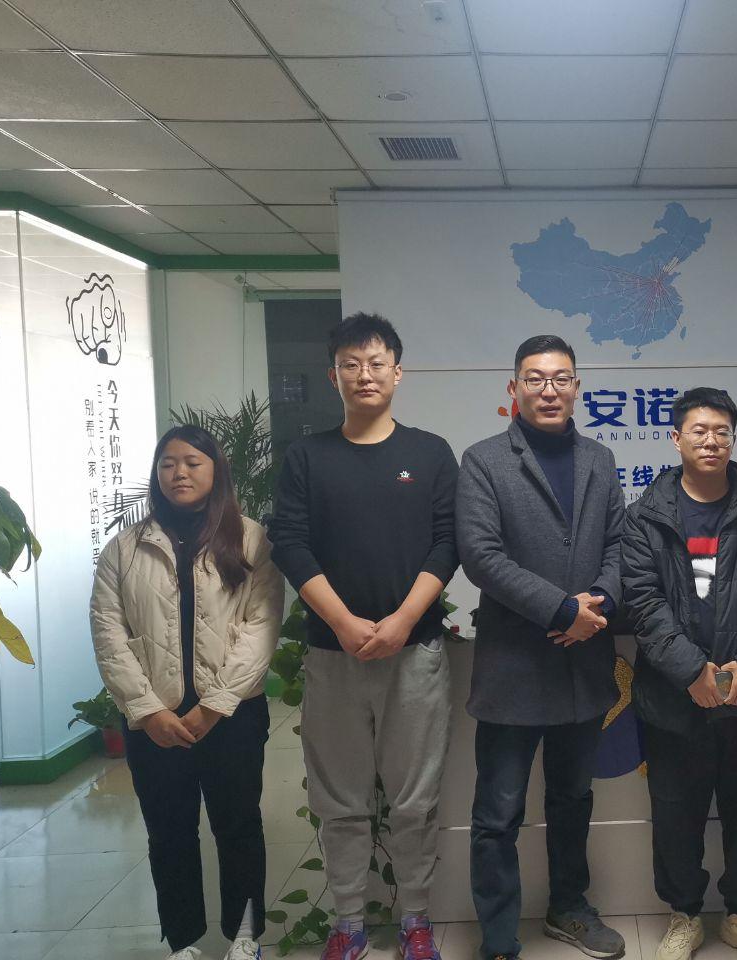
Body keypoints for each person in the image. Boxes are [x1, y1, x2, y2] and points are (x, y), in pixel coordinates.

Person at [270, 313, 459, 960]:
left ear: (398, 373)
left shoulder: (430, 453)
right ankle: (348, 923)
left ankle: (415, 920)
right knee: (340, 801)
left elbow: (448, 543)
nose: (365, 374)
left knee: (414, 802)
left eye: (377, 363)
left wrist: (403, 620)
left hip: (417, 654)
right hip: (333, 655)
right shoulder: (307, 457)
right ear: (334, 377)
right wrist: (343, 623)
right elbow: (290, 543)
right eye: (351, 364)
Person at [457, 334, 626, 960]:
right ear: (514, 388)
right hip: (513, 668)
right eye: (535, 378)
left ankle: (569, 909)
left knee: (573, 799)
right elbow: (480, 555)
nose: (548, 390)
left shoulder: (600, 459)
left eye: (560, 379)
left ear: (577, 387)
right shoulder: (483, 460)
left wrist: (598, 602)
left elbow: (620, 544)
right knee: (498, 812)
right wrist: (561, 609)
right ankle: (499, 936)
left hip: (582, 665)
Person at [621, 386, 737, 960]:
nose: (711, 440)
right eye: (699, 430)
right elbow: (643, 603)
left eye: (721, 431)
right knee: (676, 813)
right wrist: (690, 672)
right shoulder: (644, 516)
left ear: (733, 439)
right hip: (672, 697)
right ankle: (684, 915)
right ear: (675, 438)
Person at [90, 425, 283, 960]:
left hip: (233, 716)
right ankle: (183, 942)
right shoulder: (125, 548)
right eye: (168, 463)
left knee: (239, 827)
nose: (179, 473)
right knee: (169, 833)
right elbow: (108, 632)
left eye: (193, 462)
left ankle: (245, 937)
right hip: (156, 723)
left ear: (216, 470)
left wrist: (216, 705)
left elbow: (262, 625)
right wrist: (147, 709)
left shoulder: (250, 540)